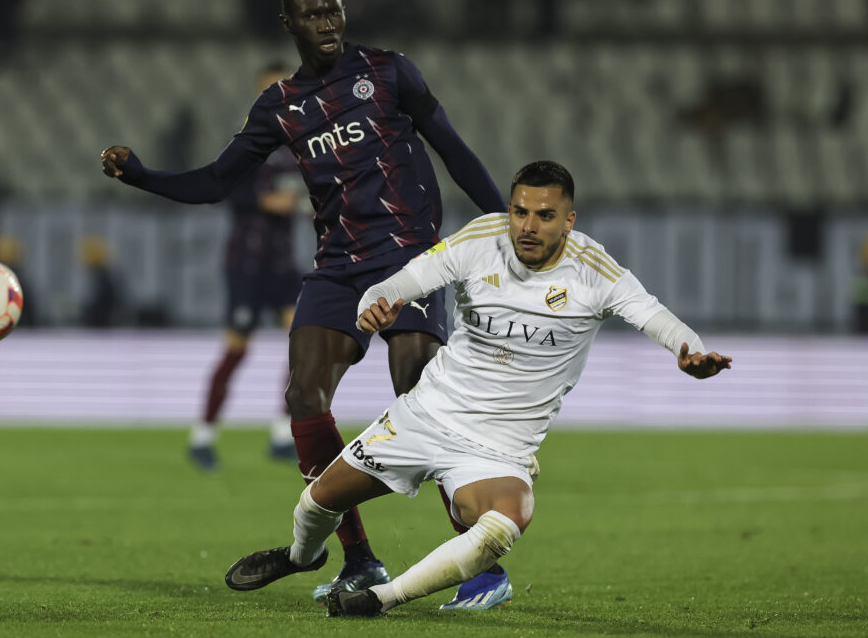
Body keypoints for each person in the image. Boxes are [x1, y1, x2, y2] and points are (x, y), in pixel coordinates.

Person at [100, 0, 509, 607]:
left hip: (410, 258)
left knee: (417, 389)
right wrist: (142, 177)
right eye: (313, 16)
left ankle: (483, 566)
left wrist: (503, 224)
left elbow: (454, 152)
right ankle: (361, 560)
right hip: (339, 267)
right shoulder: (280, 107)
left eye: (334, 12)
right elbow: (215, 181)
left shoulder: (391, 71)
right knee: (304, 398)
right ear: (290, 25)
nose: (327, 24)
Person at [223, 160, 732, 616]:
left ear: (569, 222)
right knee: (315, 504)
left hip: (499, 447)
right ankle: (299, 557)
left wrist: (687, 348)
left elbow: (652, 313)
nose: (528, 227)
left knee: (507, 522)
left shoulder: (594, 271)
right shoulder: (482, 238)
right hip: (423, 417)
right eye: (519, 211)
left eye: (545, 216)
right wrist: (379, 300)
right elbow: (410, 277)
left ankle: (381, 597)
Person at [190, 64, 305, 472]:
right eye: (268, 90)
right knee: (237, 350)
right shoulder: (245, 144)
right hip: (246, 263)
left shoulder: (301, 147)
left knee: (303, 346)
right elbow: (222, 190)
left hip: (282, 263)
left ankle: (280, 433)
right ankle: (202, 436)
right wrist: (264, 203)